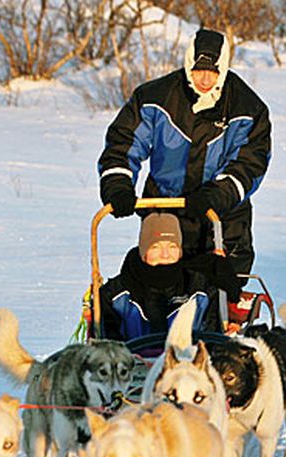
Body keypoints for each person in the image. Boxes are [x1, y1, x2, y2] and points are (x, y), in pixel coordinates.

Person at [96, 27, 271, 306]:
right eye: (199, 69)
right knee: (159, 291)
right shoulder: (155, 97)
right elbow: (124, 143)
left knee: (222, 299)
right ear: (188, 62)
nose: (204, 78)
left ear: (223, 69)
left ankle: (220, 343)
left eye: (213, 72)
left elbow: (251, 162)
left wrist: (217, 194)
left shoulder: (247, 108)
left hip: (221, 215)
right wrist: (118, 185)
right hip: (166, 208)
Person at [99, 212, 208, 342]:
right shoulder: (115, 294)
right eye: (156, 247)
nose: (165, 255)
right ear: (144, 251)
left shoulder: (199, 288)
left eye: (172, 246)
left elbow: (212, 339)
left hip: (186, 360)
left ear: (180, 251)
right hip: (131, 359)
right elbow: (108, 347)